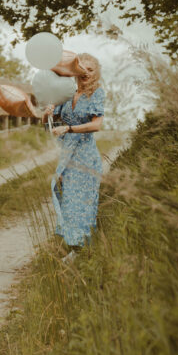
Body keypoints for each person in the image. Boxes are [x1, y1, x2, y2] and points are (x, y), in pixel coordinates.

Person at [42, 53, 105, 253]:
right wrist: (47, 113)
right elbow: (49, 127)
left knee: (83, 203)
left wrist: (69, 129)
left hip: (86, 155)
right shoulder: (68, 93)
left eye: (90, 70)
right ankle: (73, 247)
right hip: (66, 155)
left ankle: (81, 250)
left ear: (96, 73)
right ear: (75, 72)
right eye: (82, 69)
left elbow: (97, 125)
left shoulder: (97, 93)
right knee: (67, 200)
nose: (86, 73)